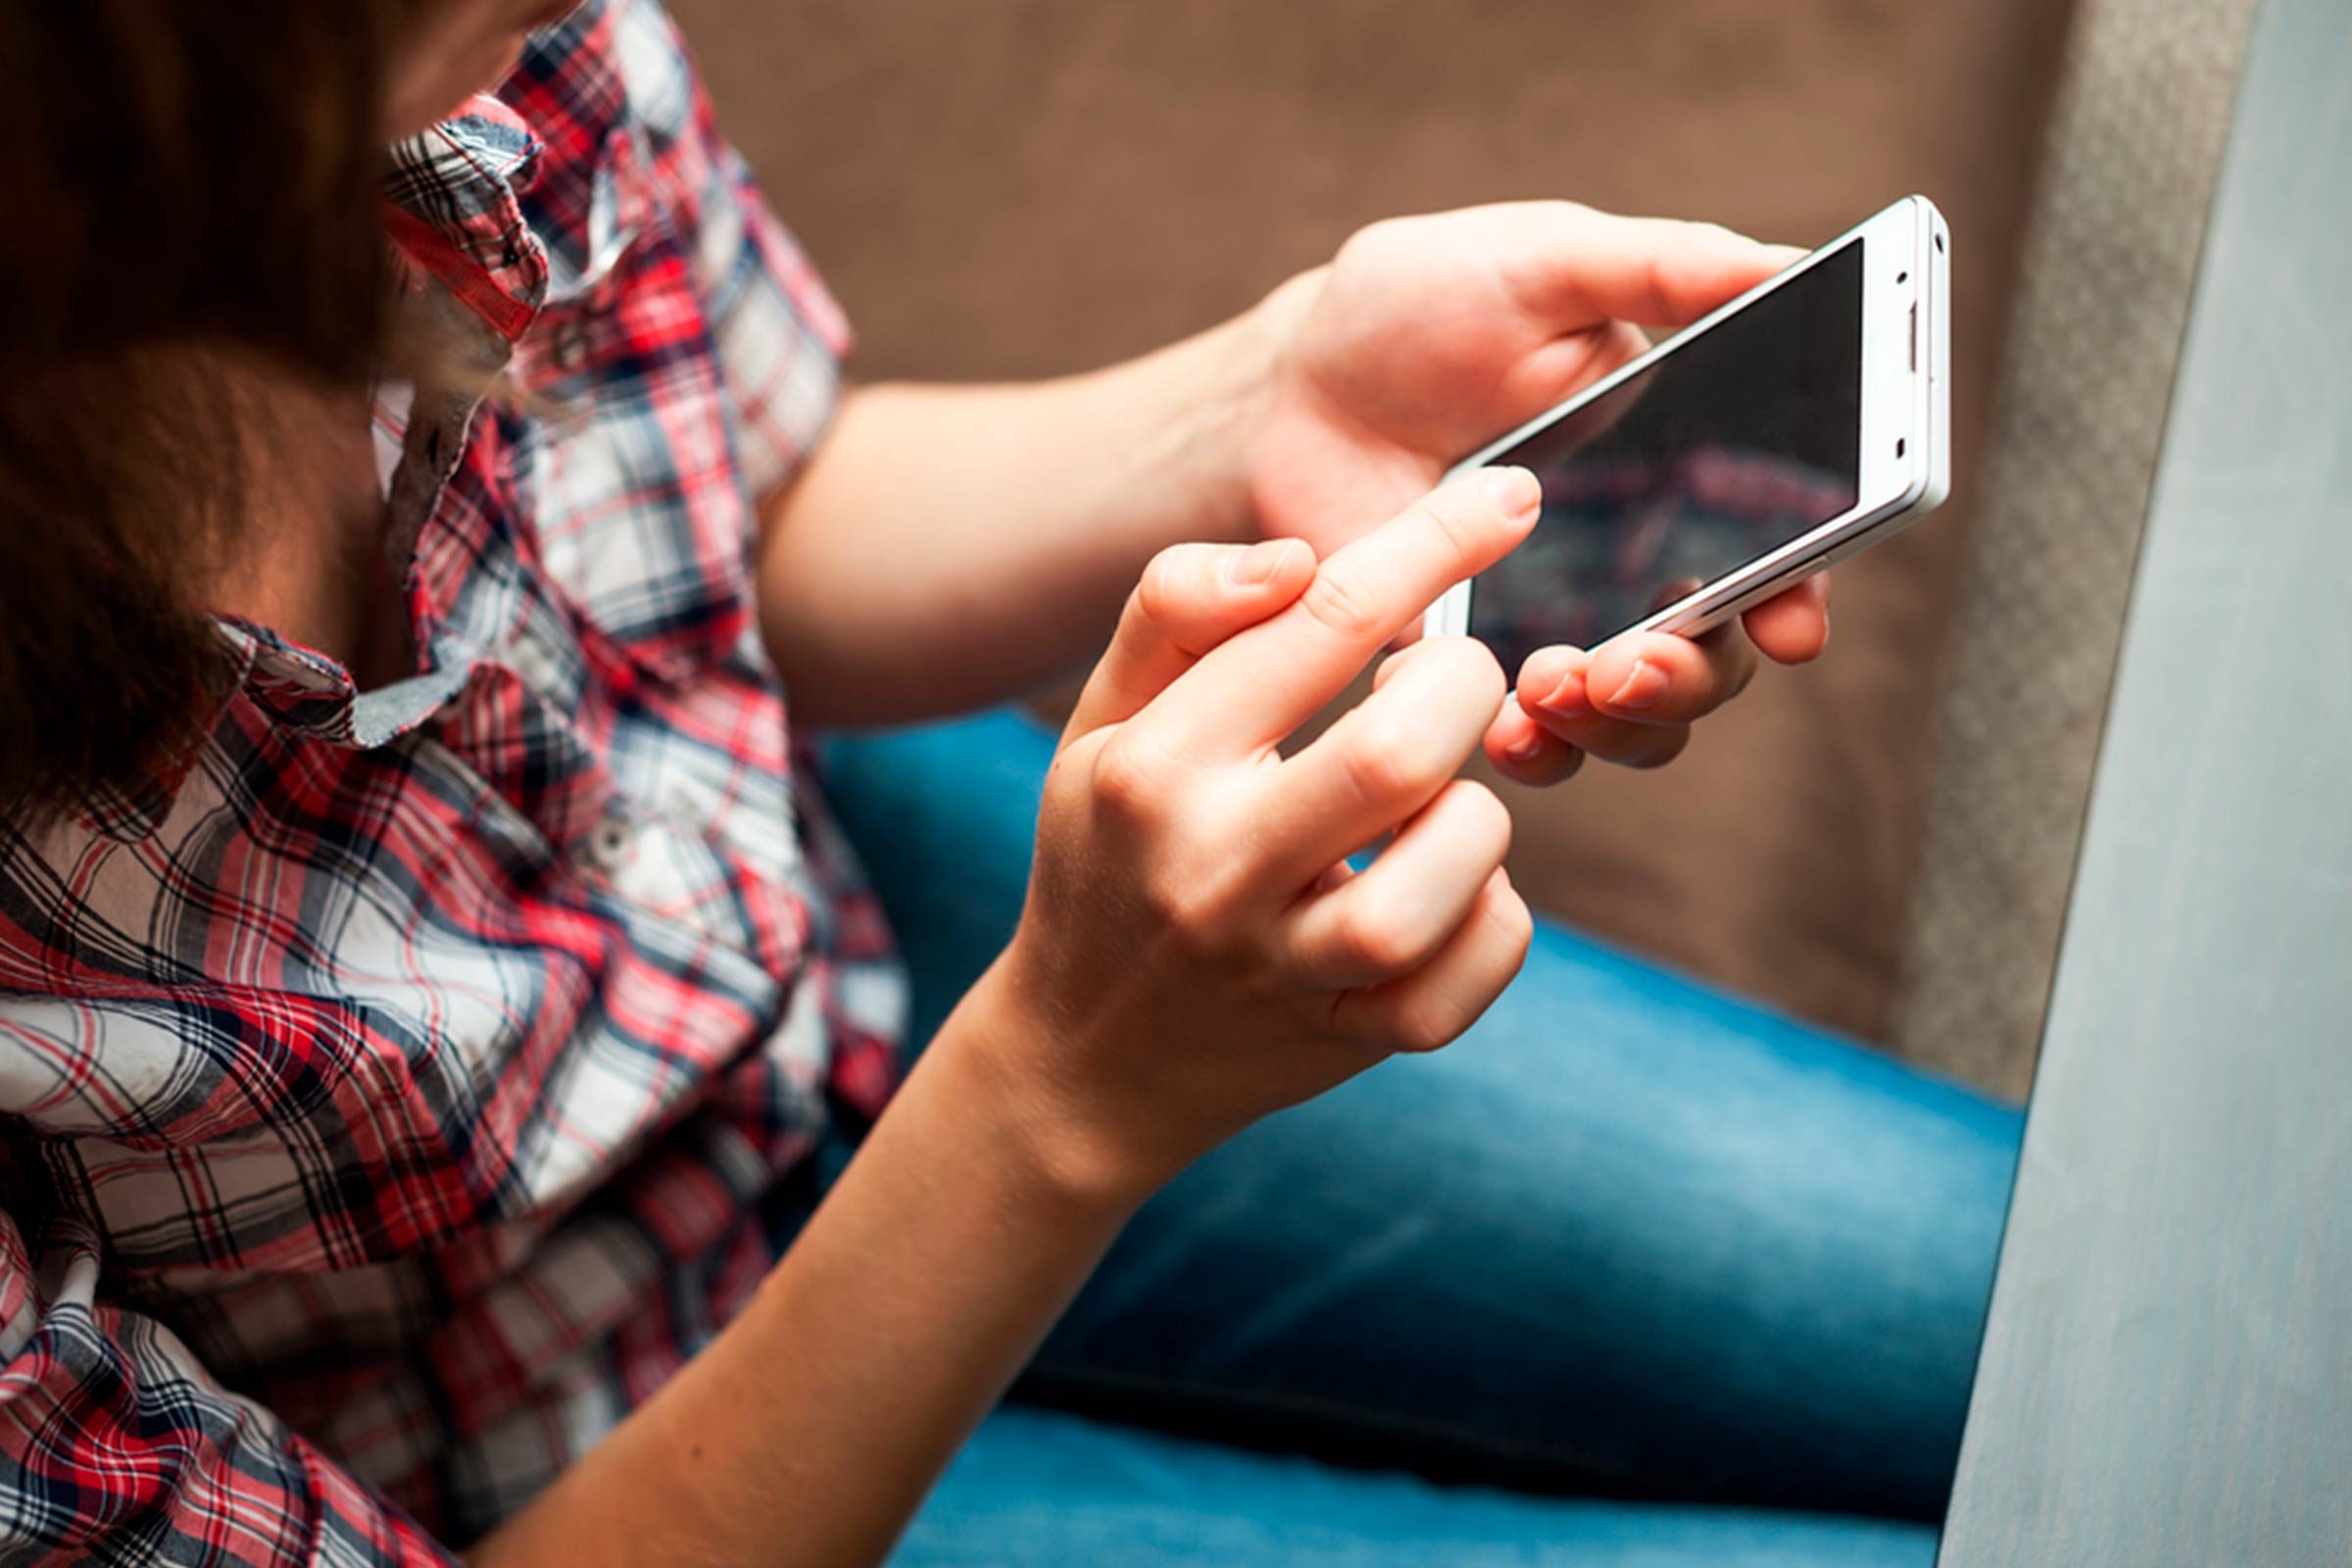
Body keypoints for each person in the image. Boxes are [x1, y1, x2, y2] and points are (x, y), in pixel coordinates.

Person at [0, 1, 2022, 1563]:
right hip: (598, 1468)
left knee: (2075, 1325)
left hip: (815, 904)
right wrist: (1059, 1091)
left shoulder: (464, 61)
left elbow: (745, 504)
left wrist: (1267, 392)